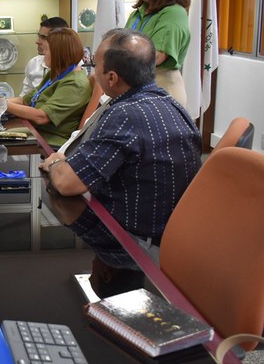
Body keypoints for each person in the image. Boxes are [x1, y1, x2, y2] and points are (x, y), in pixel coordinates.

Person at [40, 29, 201, 266]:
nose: (92, 71)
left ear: (112, 78)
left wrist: (55, 162)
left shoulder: (125, 114)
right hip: (169, 238)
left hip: (133, 246)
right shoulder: (173, 106)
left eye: (95, 65)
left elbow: (66, 183)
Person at [0, 27, 92, 147]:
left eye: (46, 51)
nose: (43, 54)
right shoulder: (57, 73)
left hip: (48, 142)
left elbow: (41, 116)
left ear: (59, 54)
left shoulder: (75, 84)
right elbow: (25, 101)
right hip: (31, 130)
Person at [126, 0, 191, 107]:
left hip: (162, 91)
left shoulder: (174, 13)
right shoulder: (138, 13)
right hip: (137, 88)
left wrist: (117, 61)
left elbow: (156, 56)